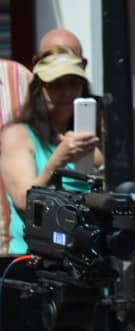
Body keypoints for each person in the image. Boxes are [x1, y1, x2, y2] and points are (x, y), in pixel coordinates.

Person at [0, 48, 99, 255]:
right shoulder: (17, 136)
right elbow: (23, 201)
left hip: (85, 255)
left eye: (74, 83)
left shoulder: (94, 134)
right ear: (39, 90)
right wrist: (56, 162)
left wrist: (101, 164)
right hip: (34, 256)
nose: (67, 92)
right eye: (56, 85)